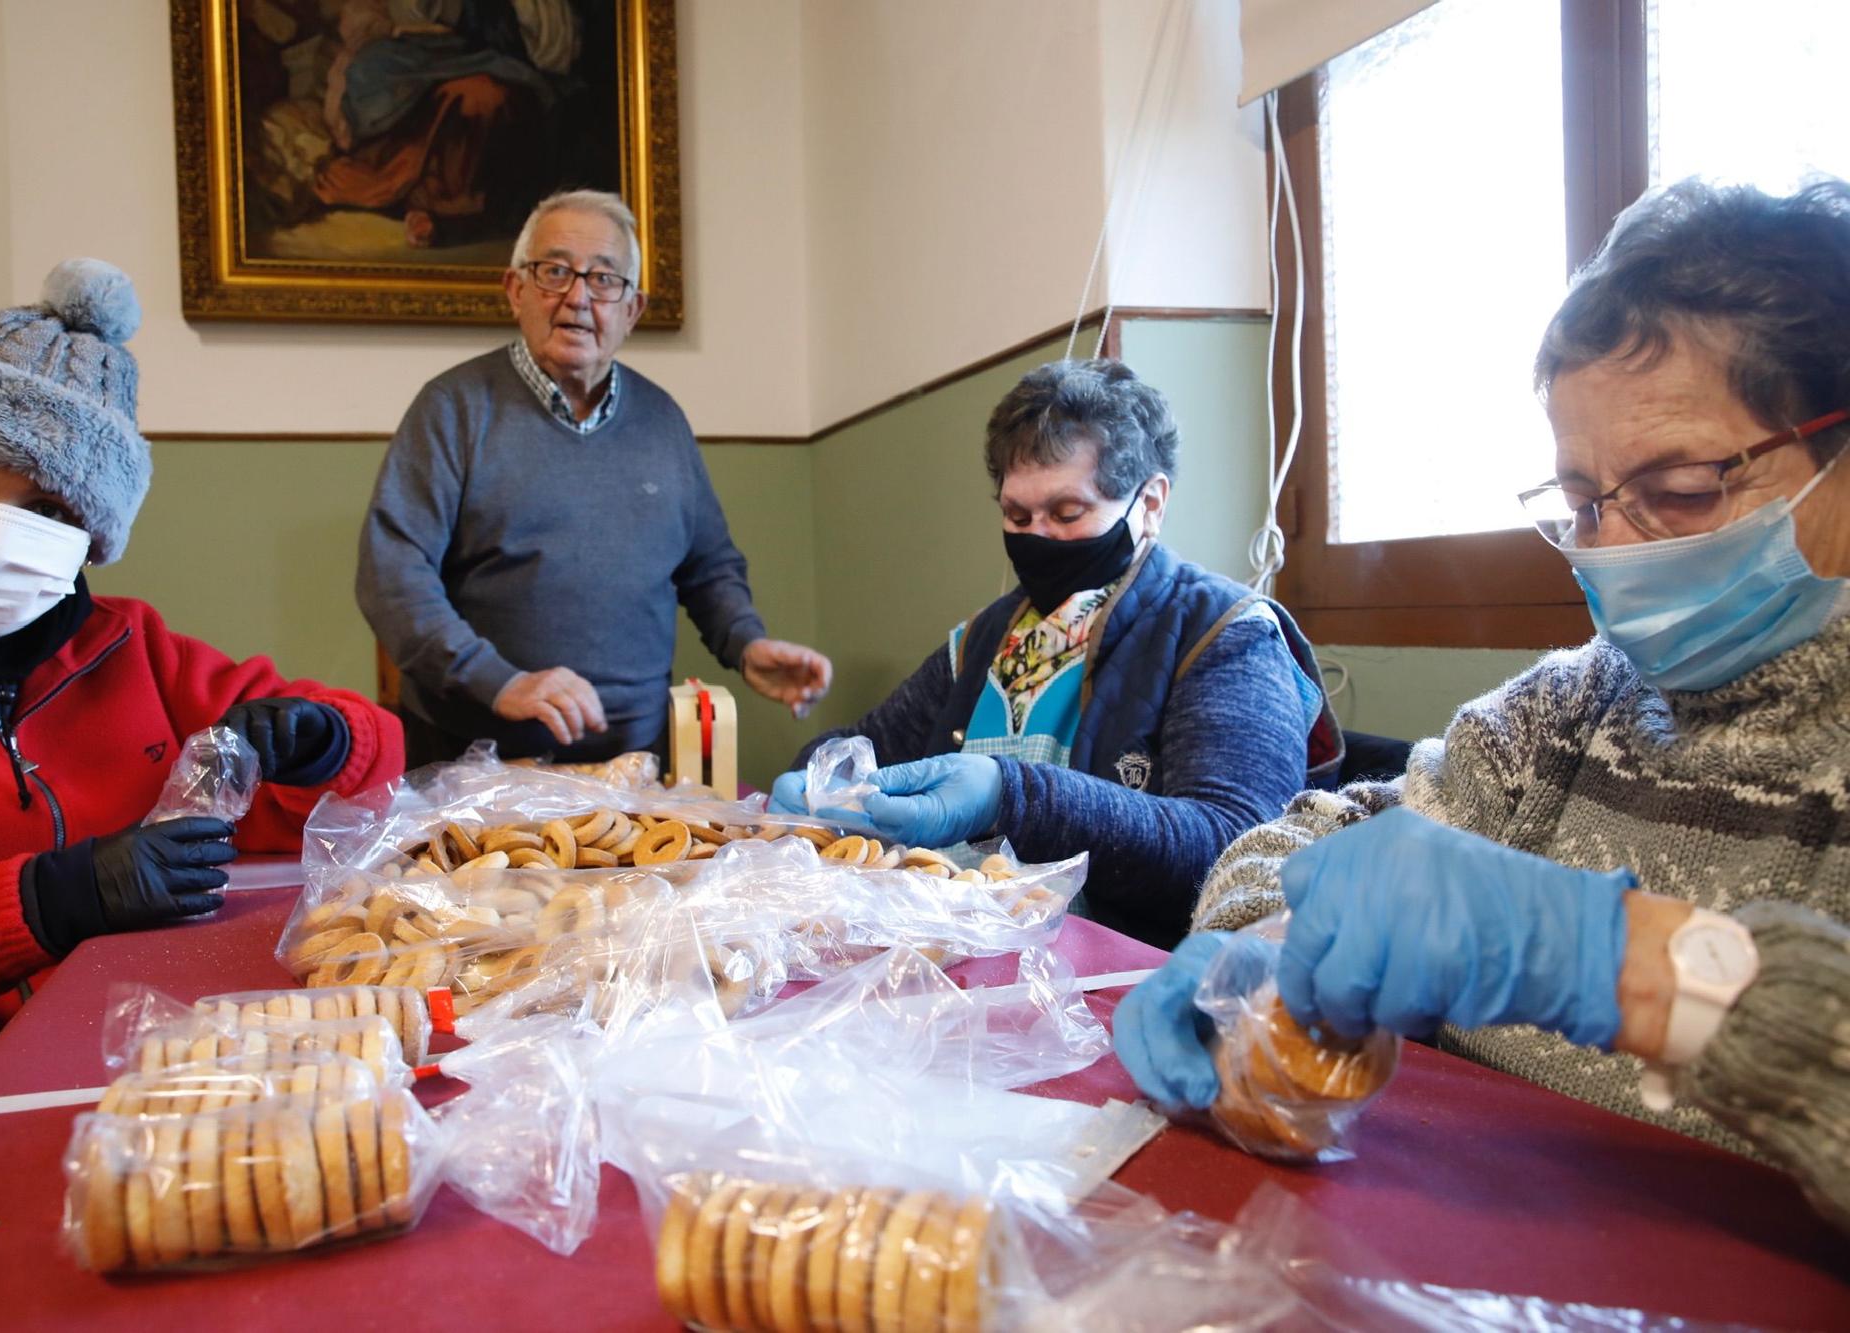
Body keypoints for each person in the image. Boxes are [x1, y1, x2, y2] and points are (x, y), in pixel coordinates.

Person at [1115, 178, 1850, 1230]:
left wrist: (1630, 966)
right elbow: (1326, 833)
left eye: (1682, 492)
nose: (1614, 549)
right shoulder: (1565, 710)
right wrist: (1266, 944)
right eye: (1581, 502)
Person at [0, 260, 405, 1185]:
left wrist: (326, 742)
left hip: (124, 1078)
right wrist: (36, 903)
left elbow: (371, 765)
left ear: (88, 540)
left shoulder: (129, 649)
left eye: (45, 509)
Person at [769, 359, 1342, 948]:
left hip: (1128, 978)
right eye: (1017, 516)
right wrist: (821, 776)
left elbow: (1236, 851)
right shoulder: (987, 641)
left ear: (1150, 503)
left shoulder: (1224, 634)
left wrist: (1010, 796)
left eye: (1068, 514)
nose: (1038, 537)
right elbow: (875, 743)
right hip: (962, 956)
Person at [358, 188, 832, 768]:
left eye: (605, 279)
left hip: (635, 767)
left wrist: (746, 642)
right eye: (555, 271)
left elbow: (709, 565)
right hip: (472, 765)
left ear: (631, 310)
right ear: (516, 289)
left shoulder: (662, 419)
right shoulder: (452, 407)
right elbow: (393, 574)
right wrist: (499, 682)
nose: (578, 297)